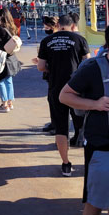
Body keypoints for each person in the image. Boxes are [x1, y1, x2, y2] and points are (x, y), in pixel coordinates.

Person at [59, 21, 109, 215]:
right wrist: (94, 104)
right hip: (102, 150)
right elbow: (64, 96)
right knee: (95, 204)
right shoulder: (92, 68)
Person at [36, 14, 90, 176]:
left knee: (61, 128)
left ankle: (66, 163)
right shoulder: (80, 40)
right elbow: (87, 64)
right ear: (73, 25)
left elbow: (40, 67)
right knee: (84, 125)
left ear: (59, 25)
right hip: (76, 89)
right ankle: (88, 161)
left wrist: (52, 70)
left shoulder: (47, 41)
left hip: (56, 88)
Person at [0, 8, 21, 112]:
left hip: (2, 57)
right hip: (11, 56)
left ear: (1, 16)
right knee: (9, 80)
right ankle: (10, 102)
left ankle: (4, 105)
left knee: (0, 81)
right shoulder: (12, 27)